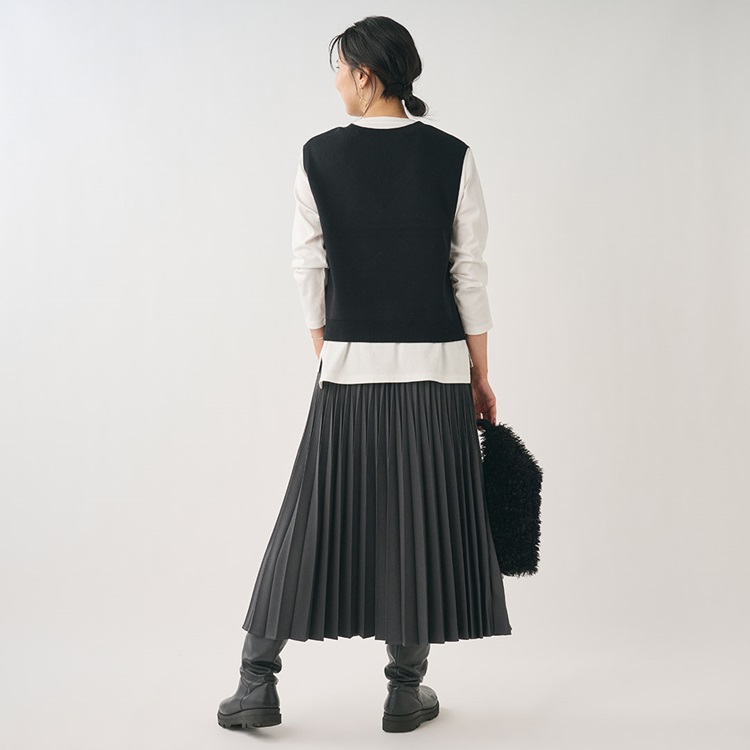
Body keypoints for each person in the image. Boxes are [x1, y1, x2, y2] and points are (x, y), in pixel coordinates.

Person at [217, 15, 512, 734]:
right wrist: (479, 374)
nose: (337, 83)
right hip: (439, 372)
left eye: (340, 70)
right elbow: (468, 273)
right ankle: (405, 692)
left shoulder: (319, 155)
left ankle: (256, 682)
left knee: (308, 520)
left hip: (348, 372)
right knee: (417, 524)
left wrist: (329, 348)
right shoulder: (453, 156)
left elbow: (307, 265)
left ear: (365, 75)